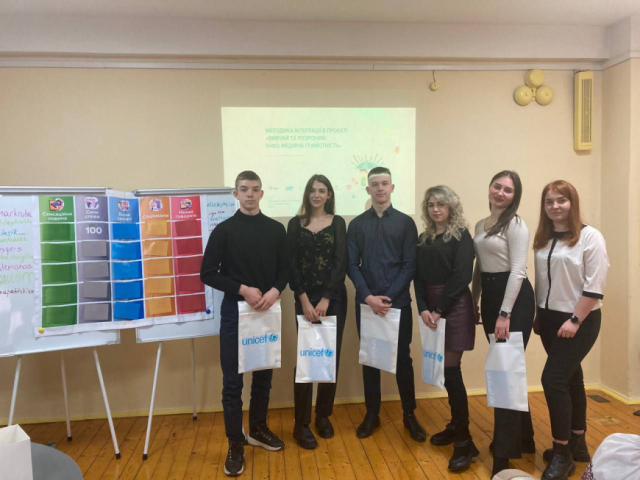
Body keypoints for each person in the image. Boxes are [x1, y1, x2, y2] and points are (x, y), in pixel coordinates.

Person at [200, 171, 288, 476]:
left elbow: (285, 269)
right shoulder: (224, 231)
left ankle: (258, 429)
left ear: (262, 193)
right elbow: (207, 273)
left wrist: (275, 291)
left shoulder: (276, 230)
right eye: (244, 189)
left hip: (267, 311)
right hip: (234, 315)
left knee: (263, 377)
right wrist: (242, 290)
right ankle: (235, 443)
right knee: (232, 384)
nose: (250, 194)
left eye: (255, 189)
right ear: (235, 194)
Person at [532, 181, 609, 480]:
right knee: (571, 377)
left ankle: (561, 454)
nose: (555, 206)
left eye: (561, 200)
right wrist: (538, 314)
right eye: (549, 201)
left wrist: (575, 320)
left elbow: (595, 285)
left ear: (572, 203)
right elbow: (542, 280)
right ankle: (578, 443)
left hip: (580, 320)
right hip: (549, 320)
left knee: (552, 380)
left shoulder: (590, 237)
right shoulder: (543, 238)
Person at [347, 166, 426, 441]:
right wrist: (369, 297)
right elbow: (351, 265)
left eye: (384, 183)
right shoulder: (356, 225)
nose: (380, 188)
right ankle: (372, 414)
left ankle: (409, 414)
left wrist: (388, 298)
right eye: (375, 184)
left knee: (402, 358)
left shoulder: (405, 223)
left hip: (398, 303)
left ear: (392, 187)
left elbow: (410, 265)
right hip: (367, 304)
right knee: (371, 359)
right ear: (367, 189)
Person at [471, 170, 535, 476]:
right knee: (508, 369)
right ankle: (526, 438)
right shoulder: (479, 225)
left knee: (505, 373)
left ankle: (504, 454)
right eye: (497, 186)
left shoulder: (516, 225)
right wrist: (474, 302)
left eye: (508, 190)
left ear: (515, 196)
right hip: (491, 298)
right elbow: (479, 269)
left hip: (514, 303)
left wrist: (505, 313)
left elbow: (518, 271)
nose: (501, 192)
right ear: (489, 188)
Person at [414, 185, 478, 471]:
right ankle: (455, 426)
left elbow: (462, 276)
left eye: (440, 204)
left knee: (451, 371)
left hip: (455, 306)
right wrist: (423, 308)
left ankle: (464, 441)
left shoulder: (461, 235)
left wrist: (440, 309)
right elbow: (417, 277)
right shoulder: (424, 237)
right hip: (431, 308)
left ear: (451, 206)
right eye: (431, 205)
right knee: (445, 371)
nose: (435, 209)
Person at [287, 174, 348, 450]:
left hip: (332, 300)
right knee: (306, 360)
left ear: (329, 195)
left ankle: (323, 416)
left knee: (328, 358)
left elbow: (340, 262)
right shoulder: (294, 224)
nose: (317, 195)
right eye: (312, 190)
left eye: (322, 190)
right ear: (307, 193)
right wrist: (303, 299)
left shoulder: (338, 223)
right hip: (304, 300)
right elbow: (291, 264)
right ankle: (301, 423)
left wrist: (325, 299)